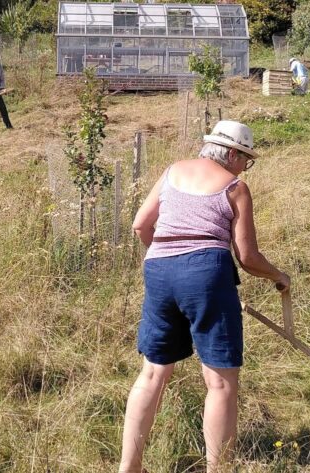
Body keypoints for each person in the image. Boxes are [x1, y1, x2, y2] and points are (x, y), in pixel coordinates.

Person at [121, 121, 291, 472]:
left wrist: (171, 260)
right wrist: (279, 276)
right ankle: (218, 469)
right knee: (220, 382)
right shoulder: (235, 187)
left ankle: (129, 467)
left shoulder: (171, 172)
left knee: (153, 373)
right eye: (246, 159)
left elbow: (141, 225)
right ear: (232, 154)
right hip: (206, 271)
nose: (246, 167)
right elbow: (247, 257)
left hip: (158, 268)